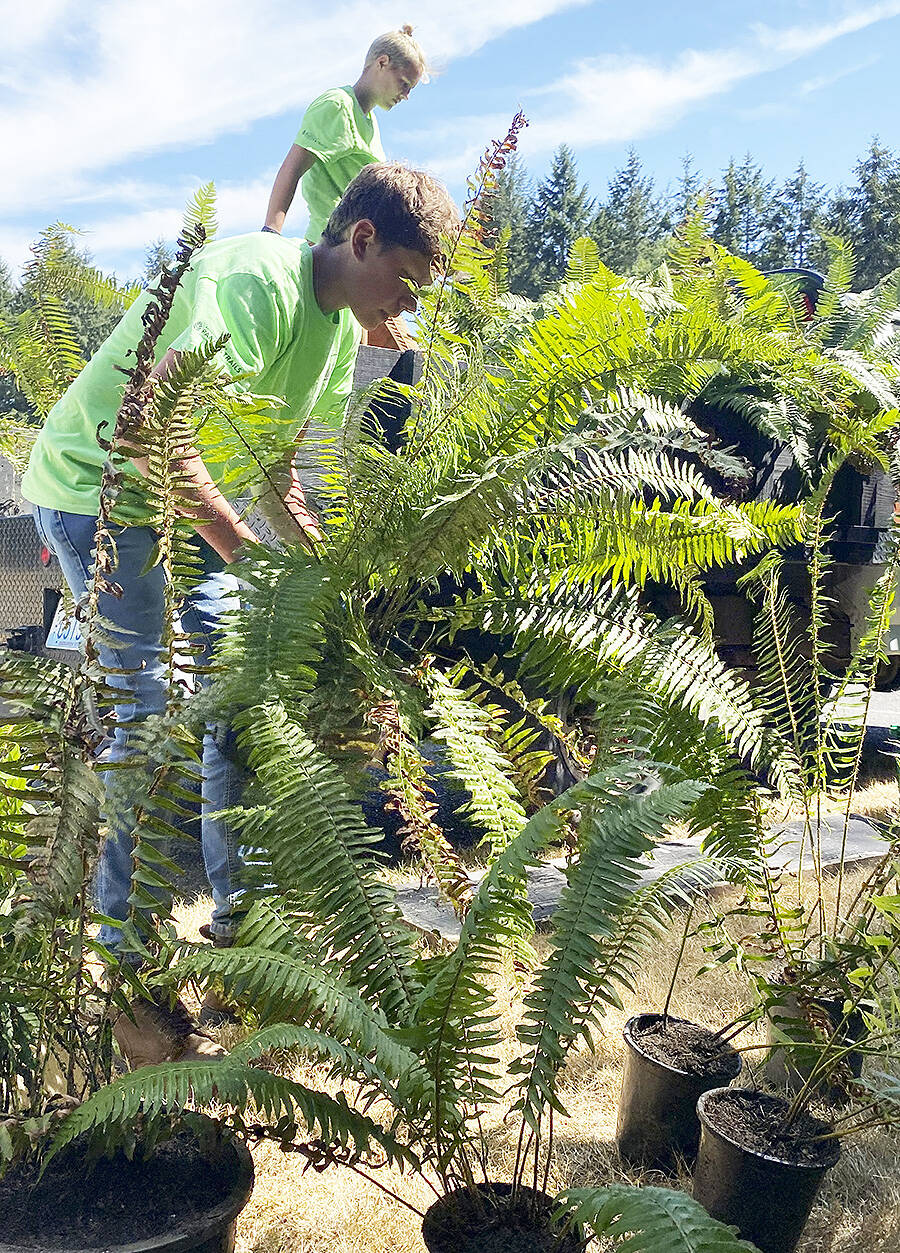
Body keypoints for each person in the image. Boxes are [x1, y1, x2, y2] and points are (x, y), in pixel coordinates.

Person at [21, 162, 458, 1064]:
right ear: (363, 239)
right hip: (99, 492)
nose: (406, 308)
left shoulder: (340, 333)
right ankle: (124, 963)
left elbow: (278, 471)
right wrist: (244, 553)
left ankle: (239, 928)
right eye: (409, 281)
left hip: (187, 504)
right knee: (146, 717)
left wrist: (321, 581)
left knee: (244, 699)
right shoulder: (253, 281)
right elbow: (151, 419)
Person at [264, 26, 426, 349]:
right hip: (334, 256)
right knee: (392, 353)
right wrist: (270, 234)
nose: (406, 95)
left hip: (366, 259)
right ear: (382, 63)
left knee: (382, 357)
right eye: (404, 84)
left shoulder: (370, 124)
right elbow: (292, 167)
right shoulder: (337, 106)